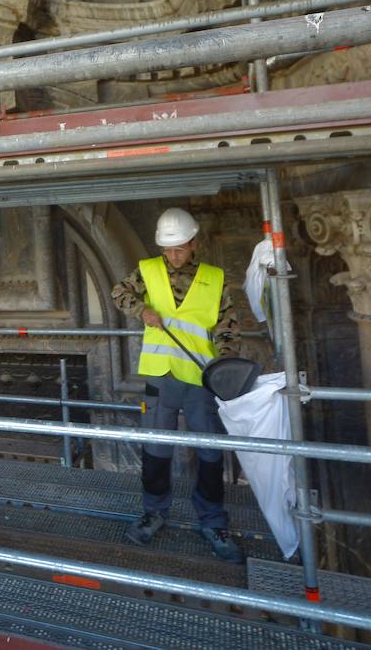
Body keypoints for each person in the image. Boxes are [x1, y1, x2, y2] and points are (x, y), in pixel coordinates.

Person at [111, 206, 244, 563]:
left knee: (210, 453)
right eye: (167, 249)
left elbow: (227, 327)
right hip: (160, 377)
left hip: (200, 380)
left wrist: (225, 363)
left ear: (193, 242)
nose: (173, 256)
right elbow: (119, 293)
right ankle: (154, 513)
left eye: (180, 248)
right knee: (156, 451)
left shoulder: (215, 279)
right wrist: (142, 310)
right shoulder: (147, 270)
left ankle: (213, 522)